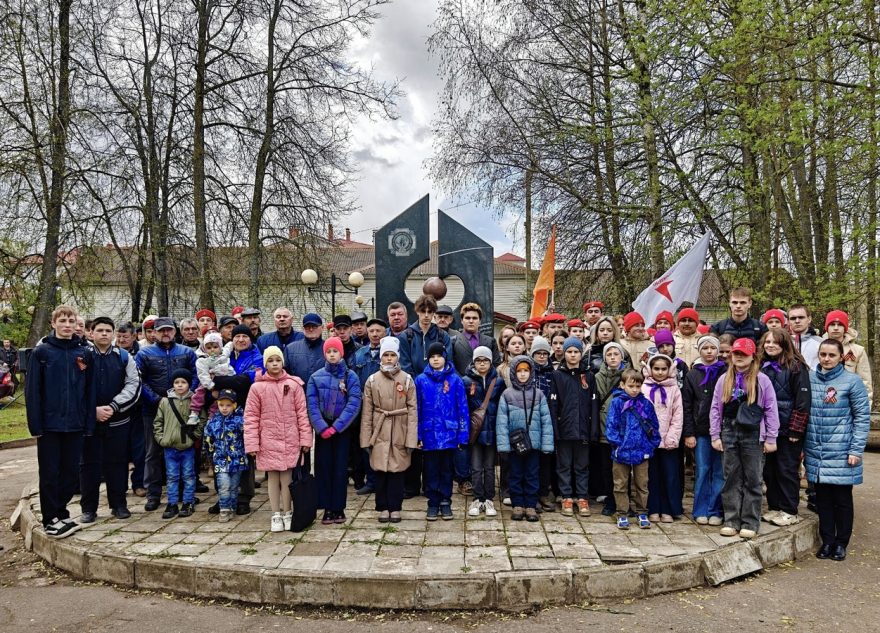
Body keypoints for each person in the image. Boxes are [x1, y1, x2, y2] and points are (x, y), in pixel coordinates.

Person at [26, 305, 97, 538]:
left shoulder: (85, 353)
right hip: (49, 425)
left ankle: (61, 512)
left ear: (76, 324)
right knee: (50, 473)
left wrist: (88, 422)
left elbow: (90, 391)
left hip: (75, 423)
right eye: (62, 321)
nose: (67, 325)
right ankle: (50, 519)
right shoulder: (42, 353)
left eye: (71, 321)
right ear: (53, 323)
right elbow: (32, 391)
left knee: (70, 473)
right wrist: (35, 425)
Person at [806, 339, 871, 561]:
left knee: (842, 500)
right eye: (823, 354)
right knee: (822, 499)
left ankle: (841, 542)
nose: (826, 359)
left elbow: (862, 418)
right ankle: (827, 541)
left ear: (841, 357)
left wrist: (856, 449)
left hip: (842, 451)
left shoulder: (852, 381)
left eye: (832, 355)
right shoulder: (810, 379)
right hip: (816, 450)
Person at [710, 338, 779, 539]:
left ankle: (750, 521)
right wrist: (715, 434)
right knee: (731, 477)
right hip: (729, 430)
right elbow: (715, 408)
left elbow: (771, 409)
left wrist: (771, 437)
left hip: (753, 432)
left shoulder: (762, 380)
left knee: (753, 478)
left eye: (744, 354)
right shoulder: (724, 379)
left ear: (752, 357)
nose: (739, 357)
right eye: (736, 353)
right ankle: (731, 520)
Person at [79, 317, 141, 523]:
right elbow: (75, 387)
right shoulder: (82, 356)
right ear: (91, 333)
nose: (104, 334)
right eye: (100, 330)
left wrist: (114, 406)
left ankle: (119, 505)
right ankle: (89, 509)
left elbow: (133, 384)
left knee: (118, 464)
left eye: (108, 330)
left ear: (113, 334)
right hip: (91, 422)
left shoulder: (123, 357)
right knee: (89, 466)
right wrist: (93, 410)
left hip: (118, 421)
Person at [244, 346, 311, 531]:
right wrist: (252, 444)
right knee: (273, 477)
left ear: (283, 362)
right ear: (265, 364)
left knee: (288, 478)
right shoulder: (257, 388)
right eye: (270, 361)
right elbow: (251, 417)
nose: (274, 364)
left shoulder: (294, 385)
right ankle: (275, 514)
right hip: (268, 440)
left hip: (290, 439)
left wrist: (305, 439)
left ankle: (288, 512)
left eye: (278, 360)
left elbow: (302, 413)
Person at [135, 317, 199, 512]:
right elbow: (139, 380)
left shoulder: (186, 352)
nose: (165, 333)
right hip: (153, 409)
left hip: (183, 408)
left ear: (174, 332)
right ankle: (153, 493)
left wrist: (187, 397)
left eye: (168, 330)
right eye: (161, 330)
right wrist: (157, 400)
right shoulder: (145, 353)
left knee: (185, 448)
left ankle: (185, 492)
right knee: (153, 452)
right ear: (154, 332)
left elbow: (196, 376)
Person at [360, 337, 418, 523]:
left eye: (393, 355)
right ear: (381, 357)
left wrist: (411, 439)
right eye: (386, 355)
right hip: (379, 429)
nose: (389, 358)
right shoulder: (372, 380)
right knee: (380, 471)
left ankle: (395, 507)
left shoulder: (407, 380)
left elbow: (413, 411)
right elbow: (367, 412)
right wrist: (366, 439)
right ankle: (382, 506)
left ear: (398, 357)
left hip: (400, 427)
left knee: (397, 470)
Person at [756, 329, 811, 527]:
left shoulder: (796, 367)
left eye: (775, 342)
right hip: (767, 428)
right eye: (767, 342)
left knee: (786, 469)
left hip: (788, 428)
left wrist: (796, 429)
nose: (770, 345)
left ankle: (789, 510)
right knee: (769, 470)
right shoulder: (761, 365)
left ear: (784, 344)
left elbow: (803, 400)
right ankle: (775, 506)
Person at [306, 337, 362, 524]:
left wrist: (337, 427)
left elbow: (353, 403)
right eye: (328, 351)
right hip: (323, 428)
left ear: (341, 353)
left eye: (335, 351)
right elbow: (312, 404)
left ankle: (338, 508)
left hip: (341, 429)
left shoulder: (350, 376)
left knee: (340, 469)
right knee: (323, 468)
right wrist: (321, 427)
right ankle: (326, 508)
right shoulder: (315, 377)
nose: (332, 355)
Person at [415, 341, 468, 520]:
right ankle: (432, 502)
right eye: (432, 357)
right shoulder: (421, 380)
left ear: (445, 358)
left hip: (449, 434)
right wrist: (418, 434)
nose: (436, 360)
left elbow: (462, 409)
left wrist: (462, 435)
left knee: (446, 470)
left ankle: (446, 501)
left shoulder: (455, 380)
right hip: (429, 433)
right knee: (430, 470)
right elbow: (416, 409)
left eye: (439, 356)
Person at [497, 355, 554, 522]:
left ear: (531, 372)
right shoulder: (507, 394)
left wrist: (547, 444)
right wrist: (503, 445)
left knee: (532, 474)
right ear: (513, 373)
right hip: (515, 445)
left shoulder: (539, 394)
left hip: (534, 444)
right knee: (515, 474)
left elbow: (546, 420)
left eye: (526, 370)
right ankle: (517, 504)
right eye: (519, 371)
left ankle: (530, 505)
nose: (522, 374)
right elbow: (502, 422)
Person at [606, 368, 661, 530]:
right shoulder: (616, 403)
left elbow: (654, 426)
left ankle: (642, 512)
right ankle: (622, 513)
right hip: (621, 451)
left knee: (642, 484)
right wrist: (618, 444)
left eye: (638, 386)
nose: (635, 390)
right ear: (622, 385)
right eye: (631, 386)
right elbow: (611, 426)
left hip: (641, 451)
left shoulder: (646, 404)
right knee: (620, 484)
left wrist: (650, 446)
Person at [549, 337, 598, 517]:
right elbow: (553, 405)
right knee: (564, 465)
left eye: (576, 352)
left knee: (582, 465)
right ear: (564, 353)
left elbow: (593, 404)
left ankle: (582, 497)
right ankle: (566, 496)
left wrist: (593, 429)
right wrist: (555, 429)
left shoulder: (588, 376)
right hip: (564, 429)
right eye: (569, 351)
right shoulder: (557, 375)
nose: (572, 355)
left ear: (581, 354)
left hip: (583, 429)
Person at [682, 335, 727, 525]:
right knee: (702, 469)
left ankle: (715, 510)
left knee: (719, 471)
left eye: (712, 348)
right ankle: (700, 509)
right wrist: (689, 433)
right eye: (705, 348)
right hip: (701, 430)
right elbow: (687, 405)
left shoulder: (726, 372)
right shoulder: (693, 375)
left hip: (723, 431)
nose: (709, 351)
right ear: (699, 350)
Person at [153, 368, 202, 519]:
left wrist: (195, 436)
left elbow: (202, 419)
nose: (180, 385)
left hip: (187, 446)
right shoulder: (165, 402)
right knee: (172, 476)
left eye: (183, 382)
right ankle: (172, 503)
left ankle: (188, 502)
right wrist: (161, 438)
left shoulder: (194, 401)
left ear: (189, 384)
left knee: (188, 475)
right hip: (169, 447)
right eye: (176, 382)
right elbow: (158, 422)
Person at [463, 346, 505, 518]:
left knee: (489, 467)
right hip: (475, 431)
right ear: (473, 362)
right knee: (475, 467)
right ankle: (477, 497)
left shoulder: (498, 381)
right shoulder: (466, 381)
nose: (482, 364)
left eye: (485, 360)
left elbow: (502, 406)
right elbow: (464, 406)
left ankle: (488, 498)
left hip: (492, 429)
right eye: (478, 360)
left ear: (490, 362)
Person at [642, 354, 684, 523]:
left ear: (669, 370)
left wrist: (672, 438)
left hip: (668, 441)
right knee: (651, 476)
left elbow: (677, 415)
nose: (660, 372)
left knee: (670, 476)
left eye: (663, 369)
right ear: (650, 369)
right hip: (649, 441)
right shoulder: (644, 388)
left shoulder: (674, 389)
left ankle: (668, 509)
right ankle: (653, 508)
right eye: (656, 369)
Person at [351, 317, 388, 496]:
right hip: (364, 406)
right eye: (371, 331)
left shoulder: (389, 354)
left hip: (384, 407)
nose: (374, 334)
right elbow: (353, 377)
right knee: (366, 443)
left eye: (378, 331)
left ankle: (384, 480)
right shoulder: (359, 354)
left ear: (385, 333)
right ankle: (371, 481)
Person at [594, 341, 628, 516]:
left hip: (624, 431)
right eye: (609, 354)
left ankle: (624, 502)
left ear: (622, 356)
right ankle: (610, 501)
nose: (613, 357)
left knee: (624, 469)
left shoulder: (629, 375)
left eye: (616, 354)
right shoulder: (598, 377)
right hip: (604, 428)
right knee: (607, 469)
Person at [203, 389, 248, 523]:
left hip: (237, 460)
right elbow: (208, 439)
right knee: (223, 485)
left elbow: (247, 437)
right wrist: (210, 454)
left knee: (234, 487)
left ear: (234, 405)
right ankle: (224, 508)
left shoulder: (240, 421)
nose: (224, 408)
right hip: (220, 460)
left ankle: (232, 507)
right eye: (221, 405)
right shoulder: (213, 422)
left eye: (228, 405)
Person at [823, 310, 872, 406]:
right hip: (821, 405)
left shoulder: (858, 351)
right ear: (827, 327)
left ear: (845, 328)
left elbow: (865, 383)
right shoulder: (817, 347)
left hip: (848, 405)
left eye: (840, 325)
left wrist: (865, 410)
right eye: (832, 324)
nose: (836, 328)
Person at [531, 336, 557, 511]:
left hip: (548, 420)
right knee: (533, 460)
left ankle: (544, 493)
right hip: (532, 420)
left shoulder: (553, 373)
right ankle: (532, 495)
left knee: (546, 459)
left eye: (545, 353)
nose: (541, 356)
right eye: (538, 353)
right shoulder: (528, 371)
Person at [451, 302, 501, 375]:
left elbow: (496, 364)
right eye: (467, 318)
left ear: (480, 321)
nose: (471, 321)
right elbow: (450, 365)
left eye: (474, 318)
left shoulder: (491, 341)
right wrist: (461, 380)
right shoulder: (453, 341)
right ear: (461, 321)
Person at [284, 313, 325, 383]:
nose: (311, 329)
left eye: (314, 326)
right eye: (307, 327)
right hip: (298, 389)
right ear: (303, 329)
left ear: (322, 328)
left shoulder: (330, 349)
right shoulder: (290, 349)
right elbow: (284, 376)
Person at [787, 304, 821, 370]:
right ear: (788, 321)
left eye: (801, 317)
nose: (797, 321)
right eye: (793, 318)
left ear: (809, 319)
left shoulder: (821, 343)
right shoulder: (782, 343)